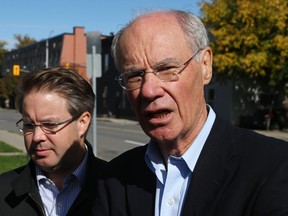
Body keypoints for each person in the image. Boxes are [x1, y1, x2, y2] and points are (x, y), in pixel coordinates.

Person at [96, 9, 288, 215]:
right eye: (134, 75)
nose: (149, 90)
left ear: (205, 65)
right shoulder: (114, 178)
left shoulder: (274, 166)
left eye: (167, 68)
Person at [0, 67, 107, 216]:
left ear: (82, 123)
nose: (37, 137)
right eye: (29, 125)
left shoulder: (117, 188)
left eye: (50, 125)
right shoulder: (4, 193)